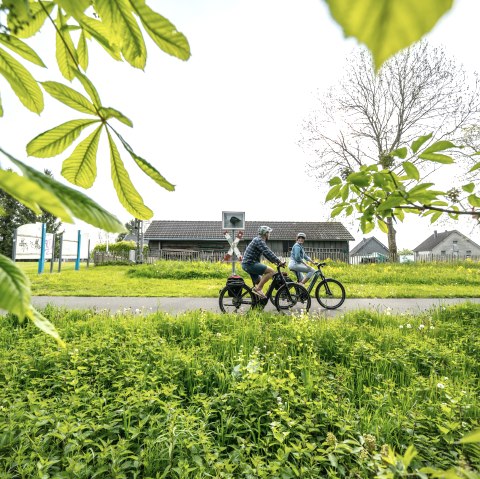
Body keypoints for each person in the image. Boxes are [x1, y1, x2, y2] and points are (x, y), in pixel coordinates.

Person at [241, 225, 284, 299]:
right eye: (269, 233)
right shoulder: (259, 240)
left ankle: (256, 304)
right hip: (250, 264)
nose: (269, 234)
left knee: (259, 282)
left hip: (249, 263)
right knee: (271, 272)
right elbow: (268, 252)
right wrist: (278, 261)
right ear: (265, 233)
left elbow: (266, 254)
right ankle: (258, 289)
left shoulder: (258, 240)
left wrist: (276, 262)